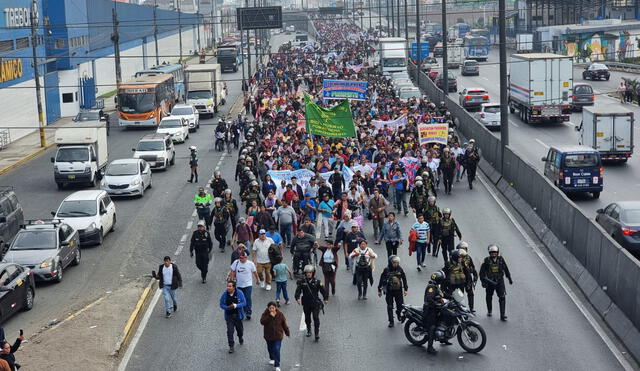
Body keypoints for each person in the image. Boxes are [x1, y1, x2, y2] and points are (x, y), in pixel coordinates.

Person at [294, 265, 328, 341]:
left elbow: (323, 290)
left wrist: (325, 298)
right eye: (307, 273)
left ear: (313, 273)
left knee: (316, 318)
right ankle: (309, 329)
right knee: (307, 318)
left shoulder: (317, 282)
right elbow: (298, 291)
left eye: (310, 273)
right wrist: (297, 298)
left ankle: (316, 333)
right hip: (306, 303)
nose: (309, 274)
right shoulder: (302, 282)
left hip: (315, 302)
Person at [479, 244, 513, 321]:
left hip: (499, 281)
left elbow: (506, 269)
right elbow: (482, 273)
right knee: (489, 296)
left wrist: (509, 278)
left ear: (497, 252)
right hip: (490, 282)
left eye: (495, 252)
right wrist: (483, 282)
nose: (493, 254)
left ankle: (502, 314)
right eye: (492, 252)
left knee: (502, 297)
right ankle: (489, 310)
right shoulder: (486, 260)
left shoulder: (501, 259)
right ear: (489, 253)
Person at [377, 255, 408, 327]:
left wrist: (405, 289)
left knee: (400, 305)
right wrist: (379, 290)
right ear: (391, 262)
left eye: (397, 263)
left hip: (398, 291)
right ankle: (391, 321)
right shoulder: (386, 270)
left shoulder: (400, 269)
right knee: (390, 306)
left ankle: (398, 313)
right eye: (394, 262)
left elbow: (404, 278)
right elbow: (381, 280)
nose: (396, 264)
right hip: (389, 291)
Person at [260, 302, 291, 371]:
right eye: (270, 308)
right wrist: (270, 316)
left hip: (278, 336)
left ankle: (277, 365)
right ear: (268, 308)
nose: (271, 309)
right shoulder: (265, 314)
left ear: (275, 308)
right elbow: (262, 322)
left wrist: (287, 332)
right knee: (270, 348)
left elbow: (284, 324)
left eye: (273, 308)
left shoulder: (280, 314)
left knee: (277, 349)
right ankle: (272, 358)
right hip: (268, 336)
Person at [229, 251, 260, 320]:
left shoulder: (250, 264)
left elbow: (255, 272)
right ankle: (241, 311)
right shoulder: (236, 262)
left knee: (247, 298)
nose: (241, 259)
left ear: (246, 257)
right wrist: (231, 280)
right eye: (240, 258)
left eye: (242, 258)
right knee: (240, 299)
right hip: (239, 284)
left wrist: (257, 280)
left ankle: (248, 312)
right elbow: (232, 271)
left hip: (248, 284)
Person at [423, 270, 446, 354]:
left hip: (435, 308)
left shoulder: (436, 286)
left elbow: (442, 294)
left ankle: (444, 338)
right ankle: (429, 347)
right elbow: (429, 299)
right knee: (432, 327)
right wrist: (437, 304)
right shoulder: (431, 287)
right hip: (430, 310)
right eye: (441, 279)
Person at [219, 281, 246, 354]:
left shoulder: (239, 293)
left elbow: (244, 303)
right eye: (227, 286)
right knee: (230, 331)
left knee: (240, 330)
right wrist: (228, 307)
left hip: (238, 315)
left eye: (230, 286)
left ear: (234, 287)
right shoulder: (225, 294)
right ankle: (231, 346)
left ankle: (240, 337)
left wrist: (236, 305)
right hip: (229, 316)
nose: (228, 287)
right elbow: (221, 304)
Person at [458, 242, 478, 312]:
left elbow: (473, 267)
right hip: (458, 279)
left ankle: (471, 308)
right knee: (460, 294)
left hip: (468, 279)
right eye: (462, 248)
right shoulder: (455, 257)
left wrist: (475, 276)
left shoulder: (468, 258)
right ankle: (459, 308)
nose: (464, 250)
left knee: (470, 293)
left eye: (465, 248)